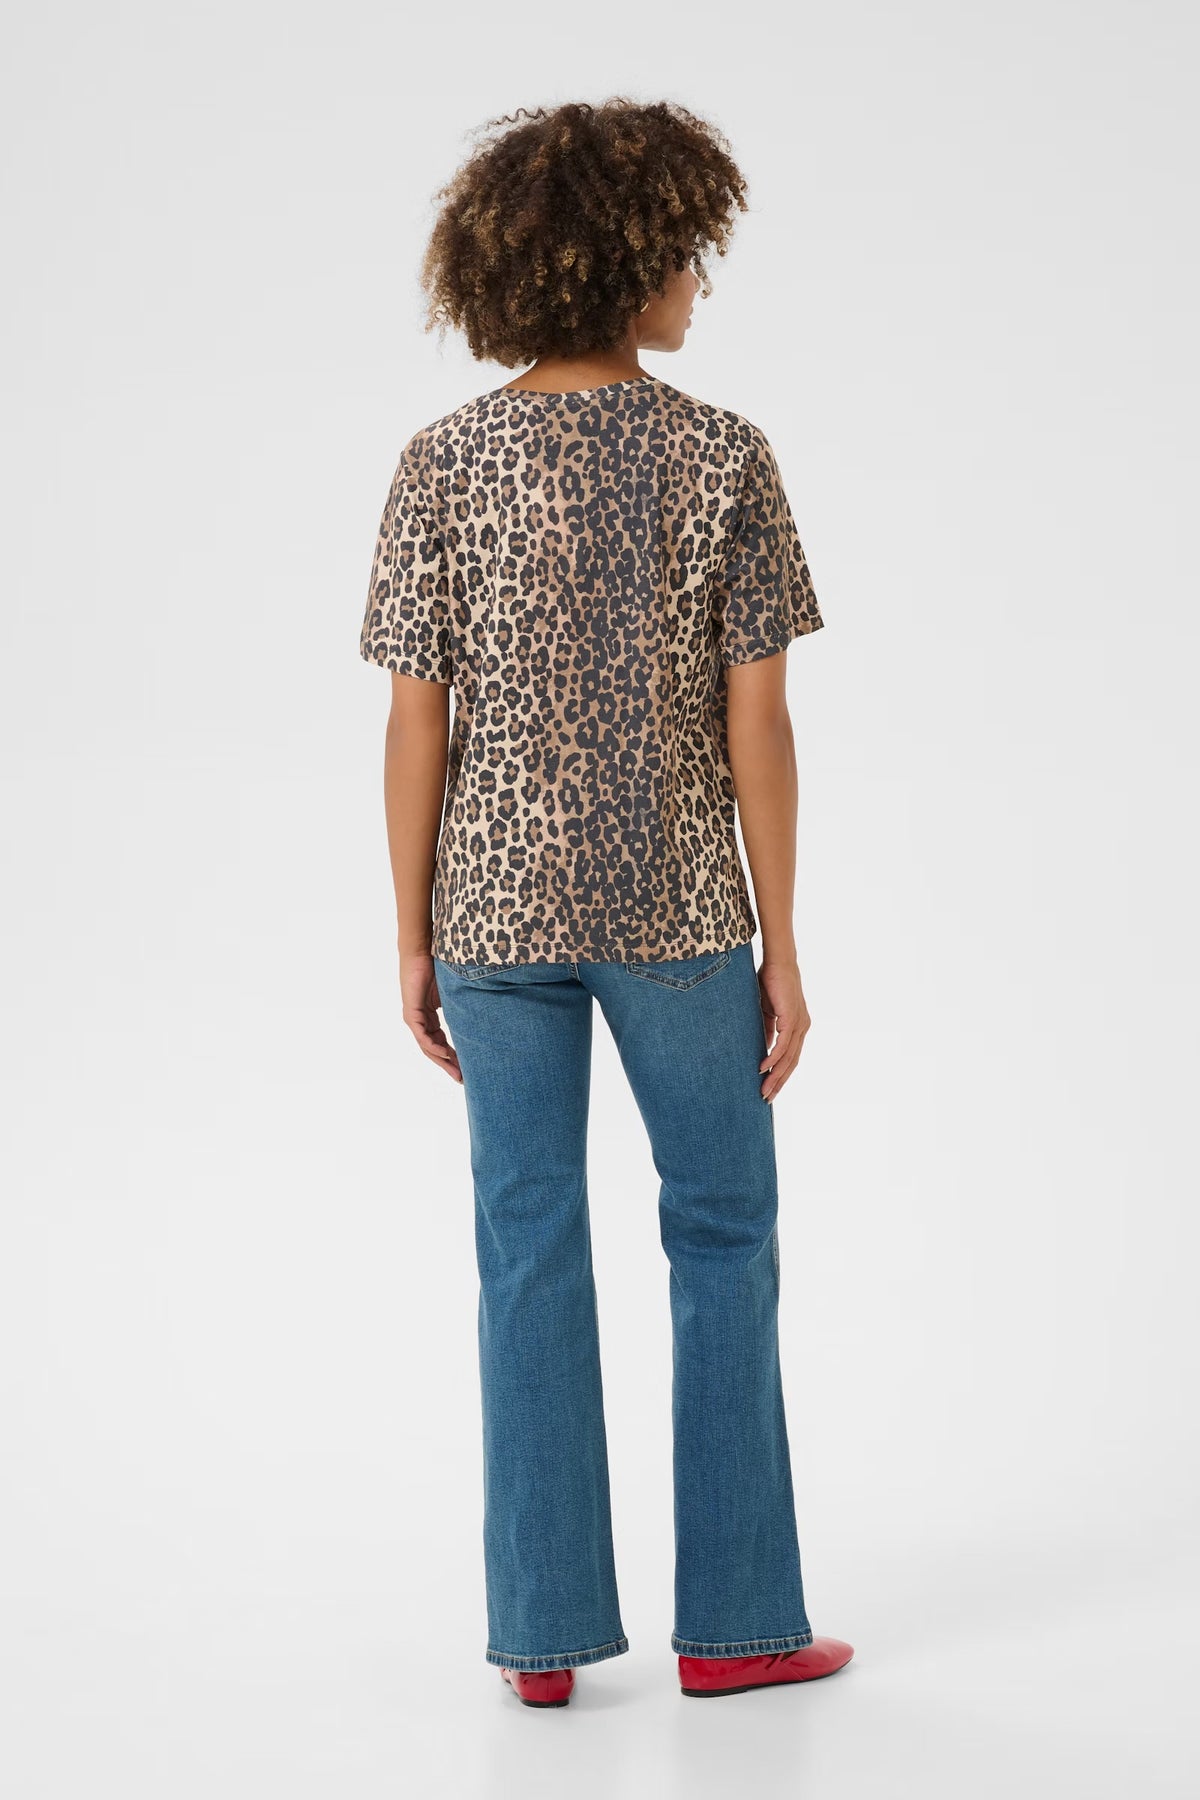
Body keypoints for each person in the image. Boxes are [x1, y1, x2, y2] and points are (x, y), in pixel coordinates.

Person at [358, 96, 853, 1707]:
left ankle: (545, 1640)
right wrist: (785, 944)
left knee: (526, 1247)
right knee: (721, 1231)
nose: (698, 284)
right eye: (688, 257)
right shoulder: (723, 455)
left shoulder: (442, 461)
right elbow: (757, 723)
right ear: (628, 263)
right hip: (677, 912)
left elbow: (415, 723)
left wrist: (413, 934)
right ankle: (740, 1628)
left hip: (493, 920)